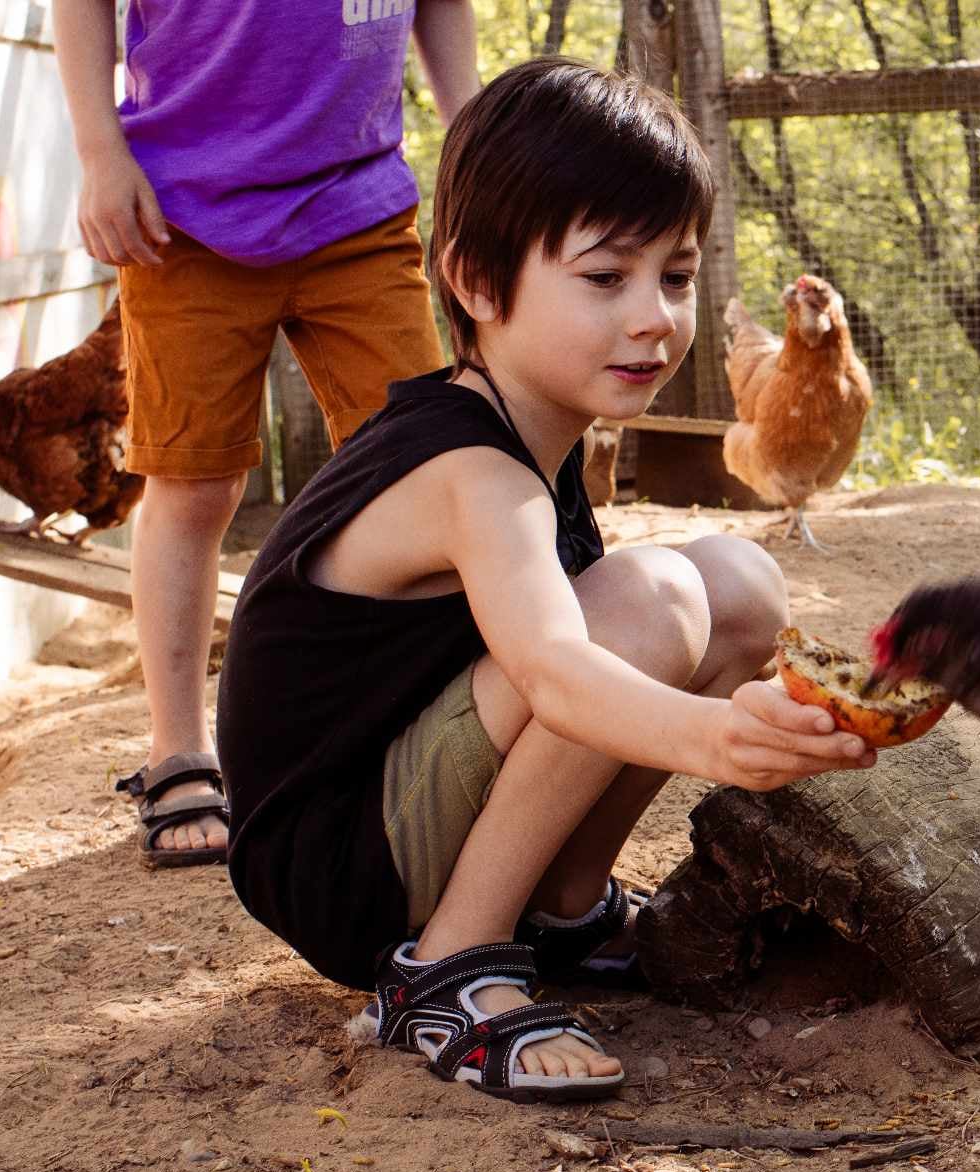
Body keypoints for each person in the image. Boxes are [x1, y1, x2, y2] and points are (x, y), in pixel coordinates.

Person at [216, 58, 877, 1102]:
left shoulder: (542, 431)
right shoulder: (469, 467)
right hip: (340, 857)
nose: (653, 315)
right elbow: (560, 672)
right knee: (652, 600)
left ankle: (565, 908)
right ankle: (449, 964)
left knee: (741, 584)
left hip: (400, 803)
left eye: (674, 273)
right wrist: (719, 740)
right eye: (605, 278)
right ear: (475, 282)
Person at [53, 0, 480, 869]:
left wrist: (480, 158)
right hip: (178, 214)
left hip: (361, 203)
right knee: (195, 481)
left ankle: (416, 734)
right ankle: (177, 749)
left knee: (430, 476)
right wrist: (101, 152)